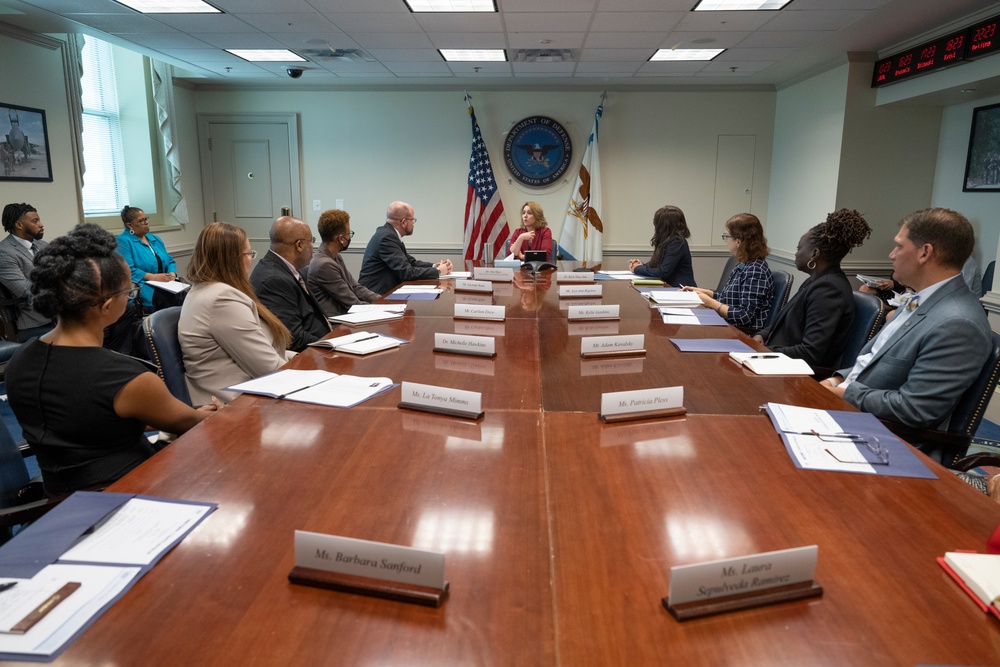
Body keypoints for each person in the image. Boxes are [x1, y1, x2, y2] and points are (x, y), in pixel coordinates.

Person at [5, 224, 222, 496]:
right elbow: (190, 423)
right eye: (127, 292)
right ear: (108, 306)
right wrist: (210, 413)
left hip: (59, 493)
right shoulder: (124, 376)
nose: (129, 297)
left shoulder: (20, 359)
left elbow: (84, 418)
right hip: (129, 493)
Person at [823, 208, 992, 431]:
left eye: (899, 246)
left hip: (879, 434)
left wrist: (844, 392)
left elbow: (915, 409)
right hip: (851, 409)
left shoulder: (958, 323)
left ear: (925, 253)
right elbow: (873, 362)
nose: (892, 255)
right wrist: (836, 380)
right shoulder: (921, 297)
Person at [180, 222, 292, 404]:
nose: (250, 259)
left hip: (247, 395)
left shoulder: (206, 291)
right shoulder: (222, 300)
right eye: (248, 254)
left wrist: (308, 359)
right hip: (234, 405)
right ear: (231, 259)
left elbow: (267, 352)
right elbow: (269, 368)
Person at [754, 209, 871, 376]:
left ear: (814, 254)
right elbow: (784, 324)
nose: (796, 253)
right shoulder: (816, 280)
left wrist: (764, 352)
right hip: (776, 363)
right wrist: (761, 335)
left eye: (799, 248)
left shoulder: (829, 290)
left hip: (797, 375)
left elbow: (810, 352)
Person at [682, 213, 774, 335]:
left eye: (727, 236)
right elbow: (728, 299)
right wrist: (703, 292)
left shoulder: (756, 271)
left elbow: (744, 316)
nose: (725, 240)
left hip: (742, 333)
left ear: (738, 241)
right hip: (729, 327)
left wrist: (710, 302)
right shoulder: (744, 264)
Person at [250, 216, 331, 351]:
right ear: (299, 245)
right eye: (311, 241)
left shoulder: (284, 269)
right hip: (309, 355)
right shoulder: (274, 280)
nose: (313, 247)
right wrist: (333, 344)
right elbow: (292, 337)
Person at [358, 201, 452, 294]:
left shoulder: (390, 234)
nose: (413, 224)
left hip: (384, 293)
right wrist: (438, 271)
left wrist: (435, 266)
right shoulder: (387, 238)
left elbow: (411, 262)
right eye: (412, 220)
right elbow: (406, 272)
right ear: (403, 222)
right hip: (375, 297)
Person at [308, 209, 380, 317]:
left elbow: (356, 287)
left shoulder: (336, 257)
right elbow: (352, 303)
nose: (349, 237)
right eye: (349, 234)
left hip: (348, 314)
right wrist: (381, 309)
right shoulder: (324, 265)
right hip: (338, 323)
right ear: (341, 238)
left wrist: (383, 300)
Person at [0, 202, 53, 340]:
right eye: (35, 221)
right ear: (19, 225)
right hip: (36, 320)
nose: (41, 224)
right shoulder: (5, 253)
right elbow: (24, 290)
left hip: (62, 313)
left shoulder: (42, 245)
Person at [115, 205, 179, 312]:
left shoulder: (155, 239)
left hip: (166, 283)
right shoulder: (123, 241)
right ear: (130, 225)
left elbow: (170, 260)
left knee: (186, 294)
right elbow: (129, 270)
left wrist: (172, 274)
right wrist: (153, 277)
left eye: (146, 219)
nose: (146, 222)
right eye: (141, 221)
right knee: (170, 299)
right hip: (144, 287)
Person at [627, 205, 695, 286]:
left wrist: (637, 269)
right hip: (670, 288)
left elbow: (663, 272)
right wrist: (641, 265)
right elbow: (658, 265)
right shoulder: (667, 240)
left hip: (681, 290)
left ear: (663, 225)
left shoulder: (676, 242)